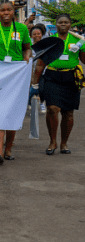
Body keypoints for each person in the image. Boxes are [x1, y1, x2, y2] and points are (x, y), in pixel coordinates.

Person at [0, 0, 32, 165]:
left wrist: (26, 58)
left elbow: (27, 48)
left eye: (9, 10)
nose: (6, 13)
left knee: (12, 113)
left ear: (13, 11)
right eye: (3, 10)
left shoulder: (22, 29)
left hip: (16, 76)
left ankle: (8, 148)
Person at [33, 13, 81, 155]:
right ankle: (52, 141)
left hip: (71, 77)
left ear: (70, 24)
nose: (63, 25)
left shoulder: (78, 40)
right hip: (52, 76)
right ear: (56, 24)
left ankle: (64, 143)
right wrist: (35, 84)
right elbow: (40, 64)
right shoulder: (50, 40)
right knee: (52, 108)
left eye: (66, 22)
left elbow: (84, 60)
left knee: (68, 112)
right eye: (60, 22)